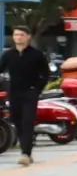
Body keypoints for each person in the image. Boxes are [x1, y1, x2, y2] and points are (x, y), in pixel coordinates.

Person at [1, 26, 50, 166]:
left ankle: (26, 154)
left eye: (21, 35)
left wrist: (37, 89)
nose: (18, 37)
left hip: (30, 93)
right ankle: (26, 149)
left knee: (27, 123)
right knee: (17, 123)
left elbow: (45, 74)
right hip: (14, 94)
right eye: (16, 35)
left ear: (28, 37)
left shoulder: (36, 54)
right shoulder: (8, 55)